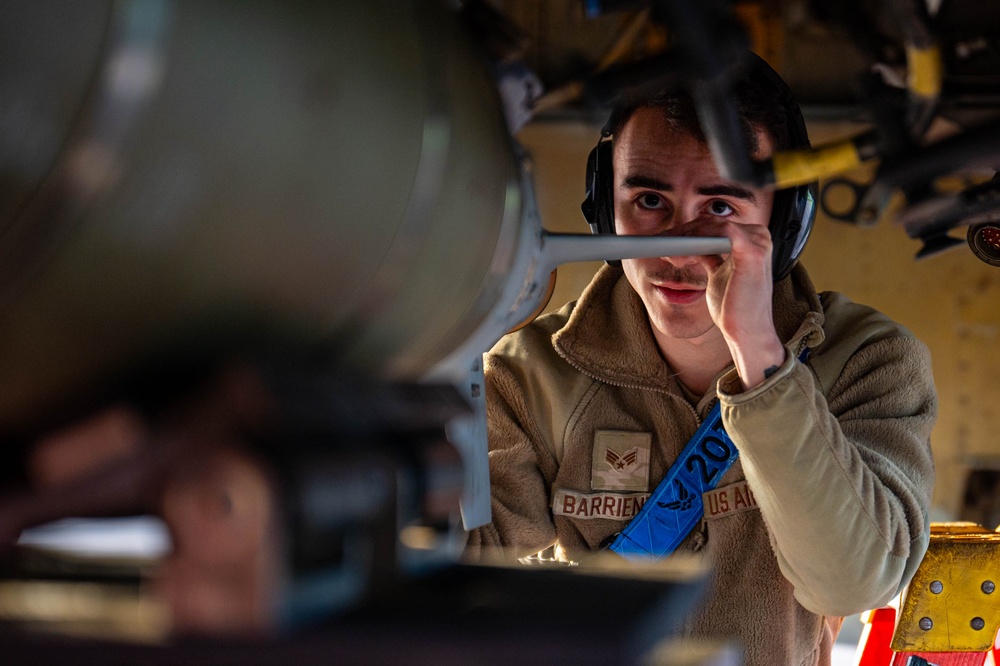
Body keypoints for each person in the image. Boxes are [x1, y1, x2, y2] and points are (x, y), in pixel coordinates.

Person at [465, 54, 937, 666]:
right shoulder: (529, 376)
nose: (676, 252)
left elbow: (852, 582)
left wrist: (762, 362)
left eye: (719, 208)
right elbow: (458, 570)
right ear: (605, 205)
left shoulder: (865, 360)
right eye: (650, 200)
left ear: (784, 218)